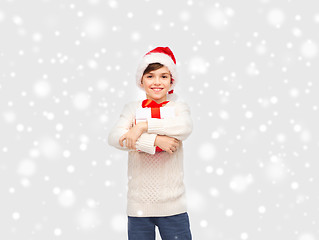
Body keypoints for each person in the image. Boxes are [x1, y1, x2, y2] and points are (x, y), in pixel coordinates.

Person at [108, 47, 193, 240]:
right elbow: (115, 137)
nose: (157, 82)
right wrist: (155, 140)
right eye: (150, 76)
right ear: (141, 80)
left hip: (173, 205)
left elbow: (184, 127)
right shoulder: (132, 109)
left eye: (164, 76)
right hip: (139, 206)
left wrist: (141, 126)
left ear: (172, 81)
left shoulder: (178, 107)